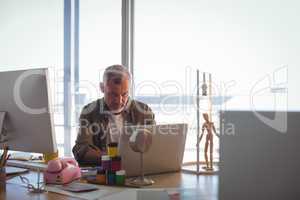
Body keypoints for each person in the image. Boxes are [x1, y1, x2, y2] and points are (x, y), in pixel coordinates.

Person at [72, 65, 155, 165]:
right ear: (102, 88)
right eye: (113, 94)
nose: (119, 101)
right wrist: (114, 158)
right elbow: (81, 150)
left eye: (124, 94)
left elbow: (154, 145)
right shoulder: (89, 111)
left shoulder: (144, 111)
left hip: (136, 171)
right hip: (106, 172)